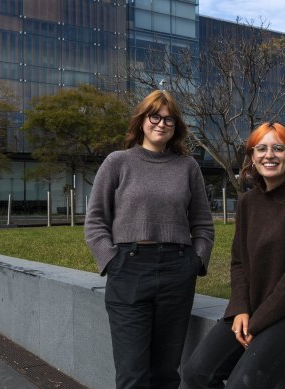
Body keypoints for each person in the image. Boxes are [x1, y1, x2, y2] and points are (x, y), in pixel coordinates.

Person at [181, 122, 285, 389]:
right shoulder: (247, 202)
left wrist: (258, 322)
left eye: (279, 148)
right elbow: (239, 261)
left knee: (243, 384)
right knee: (197, 373)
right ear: (252, 157)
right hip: (253, 309)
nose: (269, 155)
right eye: (261, 148)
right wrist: (240, 308)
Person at [85, 90, 215, 389]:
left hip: (177, 271)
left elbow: (203, 224)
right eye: (154, 116)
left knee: (166, 374)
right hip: (128, 270)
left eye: (169, 119)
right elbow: (95, 222)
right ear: (142, 120)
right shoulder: (118, 162)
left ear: (176, 126)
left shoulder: (187, 167)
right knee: (133, 375)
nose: (161, 123)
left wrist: (195, 262)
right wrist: (111, 260)